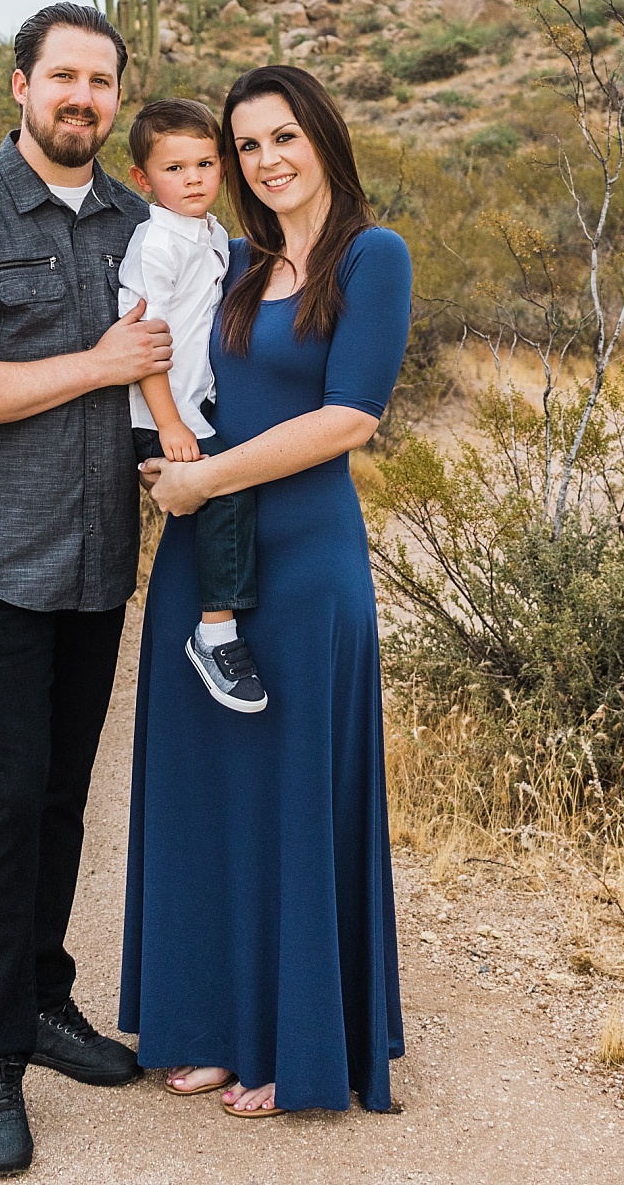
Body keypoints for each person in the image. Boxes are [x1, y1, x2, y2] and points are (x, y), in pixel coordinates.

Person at [0, 3, 165, 1178]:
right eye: (63, 77)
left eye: (101, 83)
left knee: (62, 798)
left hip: (101, 557)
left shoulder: (141, 224)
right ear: (21, 86)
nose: (83, 100)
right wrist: (101, 365)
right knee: (6, 803)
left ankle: (46, 1004)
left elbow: (187, 356)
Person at [120, 64, 412, 1117]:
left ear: (323, 138)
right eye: (247, 146)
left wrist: (205, 479)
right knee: (207, 788)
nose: (266, 160)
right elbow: (154, 339)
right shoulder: (229, 262)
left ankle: (301, 1042)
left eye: (282, 136)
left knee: (295, 795)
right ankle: (205, 1024)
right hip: (204, 549)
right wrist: (167, 452)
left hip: (304, 557)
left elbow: (351, 418)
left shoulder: (371, 258)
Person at [118, 98, 266, 713]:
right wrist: (170, 423)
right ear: (143, 180)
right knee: (225, 485)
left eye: (206, 163)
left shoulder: (208, 235)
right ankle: (215, 632)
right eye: (175, 169)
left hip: (190, 404)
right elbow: (143, 342)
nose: (194, 178)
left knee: (229, 483)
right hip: (160, 410)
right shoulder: (157, 243)